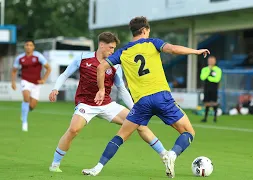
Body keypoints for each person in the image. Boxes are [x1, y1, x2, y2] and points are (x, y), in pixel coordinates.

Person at [83, 16, 210, 178]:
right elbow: (172, 49)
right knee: (188, 132)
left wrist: (101, 89)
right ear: (144, 30)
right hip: (161, 96)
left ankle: (97, 168)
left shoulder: (123, 52)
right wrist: (196, 51)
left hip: (141, 102)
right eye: (148, 31)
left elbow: (101, 67)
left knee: (121, 136)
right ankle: (172, 155)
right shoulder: (152, 43)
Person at [48, 32, 167, 173]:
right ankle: (55, 164)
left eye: (114, 48)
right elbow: (65, 74)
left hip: (107, 104)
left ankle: (165, 154)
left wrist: (135, 109)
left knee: (138, 123)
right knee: (73, 130)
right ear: (101, 45)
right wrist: (55, 88)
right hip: (86, 104)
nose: (112, 51)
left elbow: (121, 89)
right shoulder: (82, 58)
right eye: (110, 48)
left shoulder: (115, 65)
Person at [11, 40, 51, 132]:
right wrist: (13, 82)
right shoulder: (20, 58)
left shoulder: (38, 56)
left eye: (30, 45)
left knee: (32, 106)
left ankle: (24, 112)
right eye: (27, 45)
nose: (28, 47)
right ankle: (24, 123)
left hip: (36, 83)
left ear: (33, 47)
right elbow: (14, 70)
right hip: (25, 81)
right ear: (24, 47)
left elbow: (48, 68)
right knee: (26, 97)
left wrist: (44, 79)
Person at [199, 55, 222, 123]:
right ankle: (205, 118)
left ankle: (215, 118)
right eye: (210, 60)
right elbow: (202, 77)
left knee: (214, 102)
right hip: (207, 87)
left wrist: (209, 78)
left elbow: (217, 79)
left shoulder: (218, 69)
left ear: (215, 61)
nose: (211, 62)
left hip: (214, 87)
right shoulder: (205, 69)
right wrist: (209, 71)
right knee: (207, 102)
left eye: (212, 60)